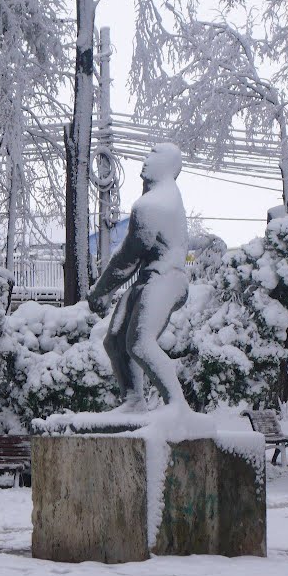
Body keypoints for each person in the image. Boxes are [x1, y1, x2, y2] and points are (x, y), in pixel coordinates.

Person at [87, 142, 188, 409]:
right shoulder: (158, 197)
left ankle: (177, 405)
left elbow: (129, 257)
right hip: (151, 279)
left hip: (166, 278)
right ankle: (133, 400)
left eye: (153, 157)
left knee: (140, 342)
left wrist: (101, 290)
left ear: (168, 167)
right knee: (116, 339)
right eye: (147, 154)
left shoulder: (153, 204)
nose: (145, 160)